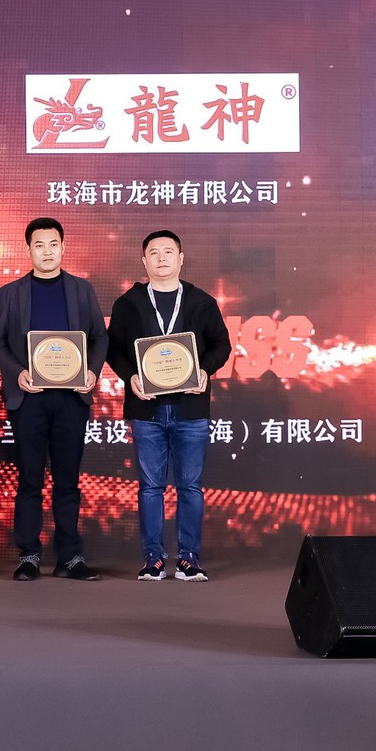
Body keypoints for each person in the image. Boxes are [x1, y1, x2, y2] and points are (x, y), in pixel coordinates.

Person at [105, 230, 233, 582]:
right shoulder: (128, 303)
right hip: (146, 409)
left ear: (181, 258)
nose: (161, 258)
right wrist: (131, 376)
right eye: (154, 252)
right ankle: (154, 558)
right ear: (144, 260)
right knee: (150, 487)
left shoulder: (201, 301)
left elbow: (221, 345)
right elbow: (114, 349)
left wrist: (205, 370)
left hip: (191, 409)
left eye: (168, 252)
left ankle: (189, 558)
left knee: (190, 486)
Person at [0, 218, 109, 581]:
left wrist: (92, 372)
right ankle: (28, 555)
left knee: (68, 480)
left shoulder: (81, 289)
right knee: (30, 480)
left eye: (53, 244)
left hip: (72, 398)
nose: (47, 251)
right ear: (28, 250)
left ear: (63, 247)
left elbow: (100, 337)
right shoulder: (10, 292)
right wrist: (17, 372)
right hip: (29, 399)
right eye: (39, 245)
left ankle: (69, 557)